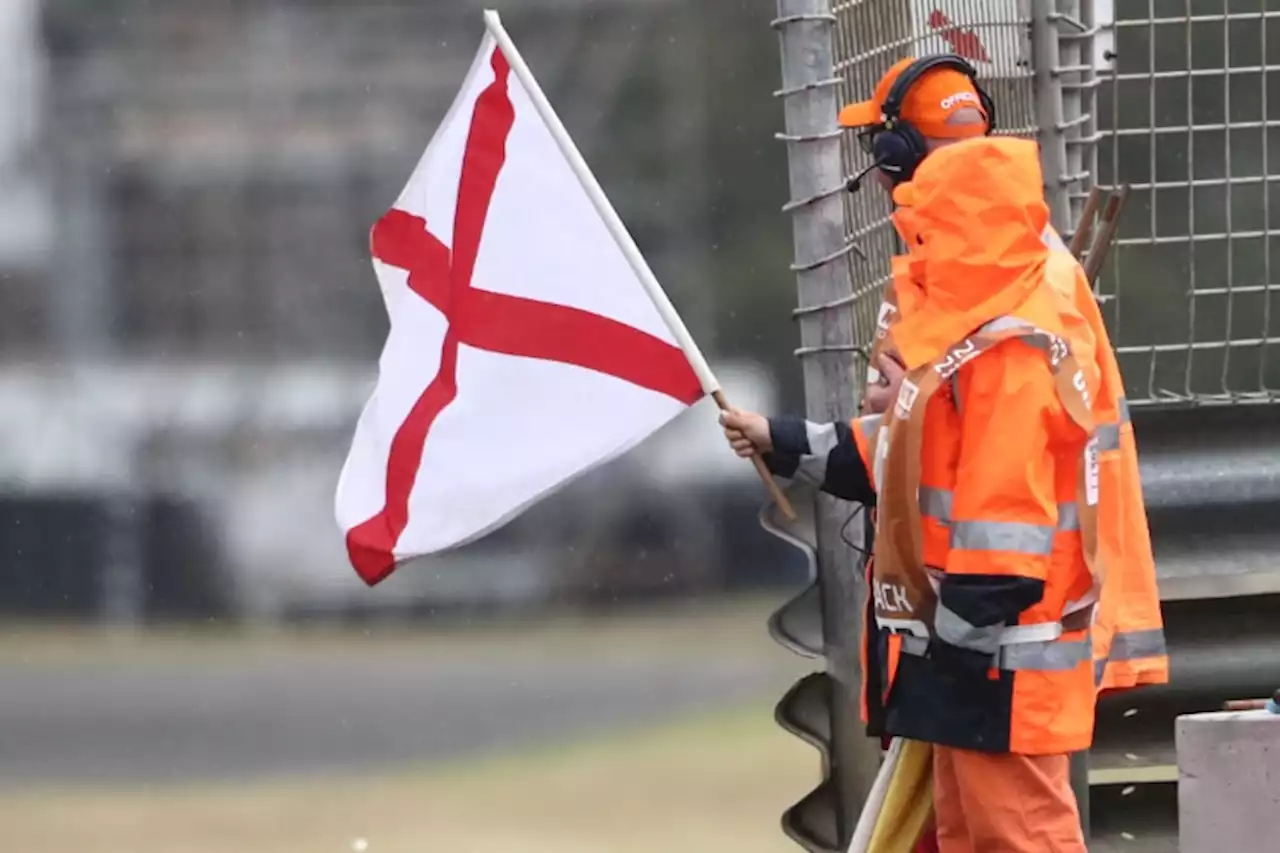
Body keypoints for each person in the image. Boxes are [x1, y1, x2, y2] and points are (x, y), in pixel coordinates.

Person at [723, 55, 1166, 853]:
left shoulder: (1008, 329)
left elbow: (1005, 525)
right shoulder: (992, 292)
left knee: (1014, 835)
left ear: (903, 164)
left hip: (998, 654)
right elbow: (914, 458)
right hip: (972, 652)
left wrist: (952, 645)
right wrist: (784, 440)